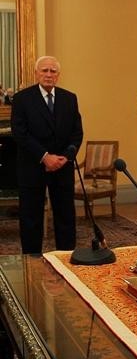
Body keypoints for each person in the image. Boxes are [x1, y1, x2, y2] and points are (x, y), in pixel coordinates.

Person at [11, 56, 83, 253]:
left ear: (58, 75)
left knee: (65, 217)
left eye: (53, 71)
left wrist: (67, 156)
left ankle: (65, 258)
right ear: (36, 73)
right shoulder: (22, 99)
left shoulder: (69, 98)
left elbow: (77, 132)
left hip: (62, 166)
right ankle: (32, 260)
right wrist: (44, 156)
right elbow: (20, 133)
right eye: (44, 70)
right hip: (33, 166)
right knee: (31, 219)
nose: (49, 75)